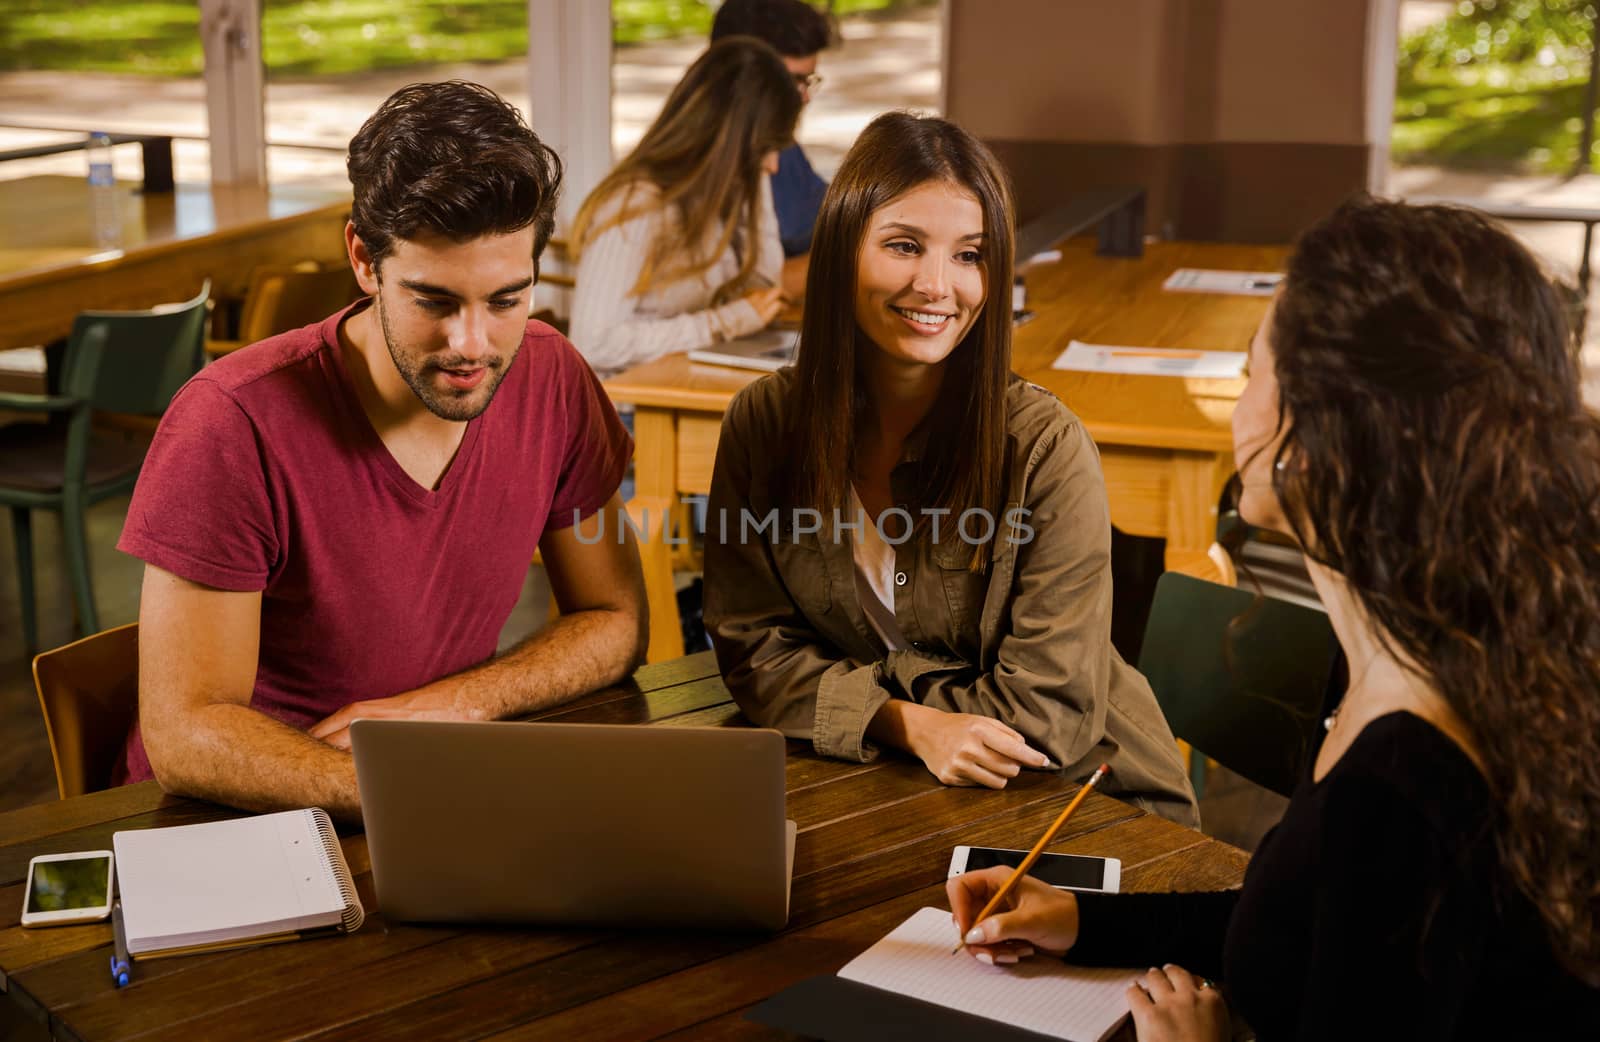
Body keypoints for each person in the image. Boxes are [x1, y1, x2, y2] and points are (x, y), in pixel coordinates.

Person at [948, 197, 1600, 1039]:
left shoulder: (1404, 786)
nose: (1238, 401)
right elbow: (1303, 925)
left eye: (1252, 372)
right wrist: (1079, 921)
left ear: (1322, 430)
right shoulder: (1435, 653)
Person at [117, 81, 648, 822]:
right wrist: (411, 790)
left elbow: (613, 618)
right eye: (434, 301)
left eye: (505, 300)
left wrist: (455, 708)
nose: (473, 345)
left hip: (419, 792)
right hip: (227, 820)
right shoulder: (231, 421)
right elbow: (185, 737)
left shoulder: (552, 374)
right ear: (365, 261)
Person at [702, 112, 1198, 827]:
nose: (938, 285)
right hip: (892, 787)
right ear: (842, 252)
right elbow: (753, 654)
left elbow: (1043, 716)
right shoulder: (762, 423)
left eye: (970, 255)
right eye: (905, 246)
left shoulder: (1044, 449)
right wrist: (908, 725)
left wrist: (849, 701)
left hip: (1082, 800)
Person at [568, 37, 800, 378]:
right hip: (628, 411)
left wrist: (755, 179)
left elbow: (764, 286)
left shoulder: (713, 199)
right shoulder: (636, 205)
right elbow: (594, 343)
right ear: (729, 143)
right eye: (767, 147)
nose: (774, 166)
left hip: (676, 382)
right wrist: (723, 323)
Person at [710, 0, 832, 269]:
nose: (805, 97)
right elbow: (747, 290)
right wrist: (851, 261)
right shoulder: (704, 172)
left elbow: (827, 212)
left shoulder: (783, 147)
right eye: (792, 81)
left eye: (809, 80)